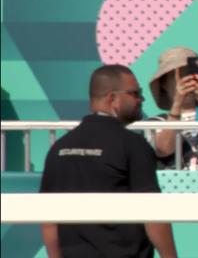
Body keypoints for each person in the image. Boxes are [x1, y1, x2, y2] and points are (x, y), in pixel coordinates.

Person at [40, 65, 177, 258]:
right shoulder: (133, 145)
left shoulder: (58, 149)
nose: (141, 99)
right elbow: (152, 214)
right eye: (135, 93)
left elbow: (48, 221)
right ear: (113, 99)